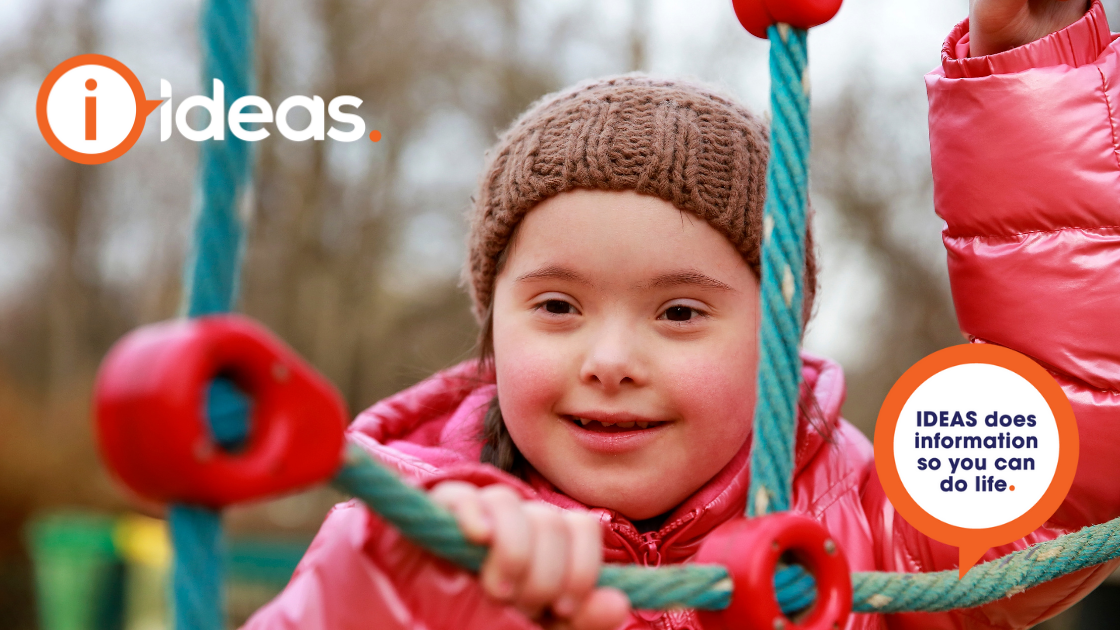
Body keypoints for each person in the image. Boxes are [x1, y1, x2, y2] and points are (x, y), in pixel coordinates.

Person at [244, 1, 1120, 628]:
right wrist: (410, 590)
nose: (611, 358)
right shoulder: (411, 534)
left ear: (777, 339)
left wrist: (1034, 71)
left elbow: (1074, 456)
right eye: (557, 305)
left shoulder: (866, 526)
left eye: (679, 313)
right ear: (491, 322)